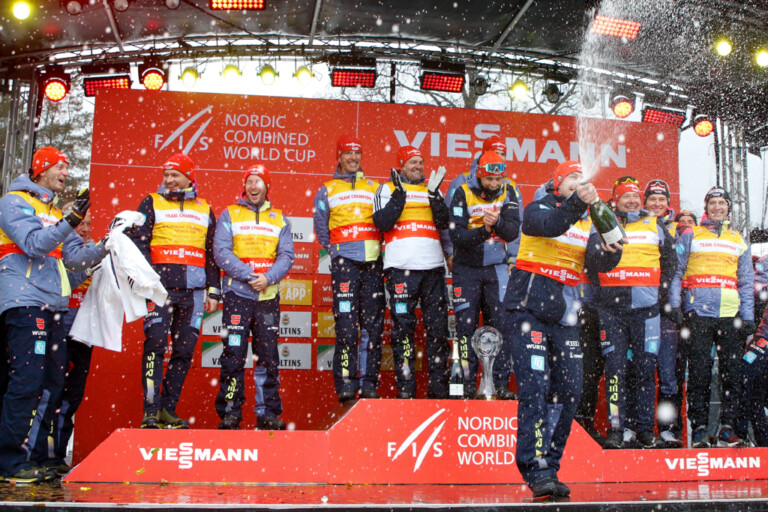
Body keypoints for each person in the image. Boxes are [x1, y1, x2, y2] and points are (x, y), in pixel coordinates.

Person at [503, 160, 623, 498]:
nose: (580, 182)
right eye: (573, 177)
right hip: (528, 311)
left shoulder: (586, 222)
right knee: (535, 391)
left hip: (565, 318)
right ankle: (534, 467)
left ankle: (551, 466)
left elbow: (598, 263)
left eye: (582, 179)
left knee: (569, 393)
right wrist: (577, 203)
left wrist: (611, 252)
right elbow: (550, 225)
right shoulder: (538, 207)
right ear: (558, 183)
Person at [0, 147, 106, 483]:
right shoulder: (15, 201)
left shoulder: (51, 209)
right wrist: (70, 221)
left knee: (49, 385)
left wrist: (109, 243)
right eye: (60, 166)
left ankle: (36, 458)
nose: (66, 172)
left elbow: (73, 263)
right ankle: (9, 463)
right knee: (25, 382)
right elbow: (33, 245)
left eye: (67, 167)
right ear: (41, 170)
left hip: (54, 306)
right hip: (23, 300)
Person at [131, 153, 220, 429]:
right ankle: (150, 408)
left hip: (193, 292)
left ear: (189, 176)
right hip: (159, 290)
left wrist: (214, 290)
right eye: (166, 175)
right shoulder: (151, 201)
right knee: (155, 347)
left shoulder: (205, 208)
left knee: (183, 352)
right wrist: (149, 277)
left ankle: (167, 409)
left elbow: (211, 253)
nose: (169, 180)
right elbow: (138, 242)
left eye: (175, 175)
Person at [588, 176, 676, 449]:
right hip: (612, 311)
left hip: (646, 311)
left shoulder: (656, 224)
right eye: (626, 196)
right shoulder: (602, 223)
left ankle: (646, 430)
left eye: (635, 197)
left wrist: (658, 295)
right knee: (615, 371)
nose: (632, 201)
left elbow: (670, 263)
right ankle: (617, 429)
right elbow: (591, 264)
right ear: (615, 200)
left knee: (645, 371)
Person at [669, 186, 755, 448]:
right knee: (699, 373)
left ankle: (728, 428)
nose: (717, 207)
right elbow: (677, 272)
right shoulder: (690, 235)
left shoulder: (738, 239)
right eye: (713, 203)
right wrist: (675, 305)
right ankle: (699, 430)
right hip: (699, 314)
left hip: (730, 315)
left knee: (731, 373)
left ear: (729, 207)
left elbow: (746, 282)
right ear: (706, 208)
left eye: (722, 203)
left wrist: (748, 317)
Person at [214, 165, 294, 430]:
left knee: (269, 357)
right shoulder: (230, 214)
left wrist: (268, 278)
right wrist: (251, 276)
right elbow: (221, 252)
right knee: (233, 355)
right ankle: (231, 413)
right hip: (238, 295)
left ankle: (268, 413)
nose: (253, 186)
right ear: (244, 185)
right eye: (249, 181)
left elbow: (287, 256)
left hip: (267, 298)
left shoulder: (279, 218)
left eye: (258, 181)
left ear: (266, 186)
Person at [372, 146, 451, 398]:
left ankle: (438, 388)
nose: (418, 166)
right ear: (401, 165)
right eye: (412, 162)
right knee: (402, 329)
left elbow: (444, 222)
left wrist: (435, 197)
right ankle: (406, 387)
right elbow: (382, 222)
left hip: (433, 270)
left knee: (438, 330)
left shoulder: (433, 189)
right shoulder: (386, 189)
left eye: (421, 162)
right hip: (401, 270)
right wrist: (399, 195)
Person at [313, 134, 385, 402]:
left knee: (372, 327)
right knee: (346, 327)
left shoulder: (375, 187)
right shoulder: (327, 188)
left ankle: (368, 383)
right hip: (345, 264)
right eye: (348, 154)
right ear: (339, 157)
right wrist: (335, 251)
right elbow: (321, 226)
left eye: (357, 153)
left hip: (373, 264)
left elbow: (384, 221)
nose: (353, 158)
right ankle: (345, 382)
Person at [448, 151, 520, 398]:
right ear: (479, 175)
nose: (494, 185)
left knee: (500, 327)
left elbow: (512, 231)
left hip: (497, 269)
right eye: (489, 179)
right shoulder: (462, 191)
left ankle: (498, 384)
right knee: (465, 327)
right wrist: (486, 229)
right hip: (466, 269)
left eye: (498, 180)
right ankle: (466, 385)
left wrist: (497, 224)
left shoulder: (509, 191)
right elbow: (457, 236)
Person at [643, 178, 685, 447]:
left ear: (668, 203)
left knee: (668, 375)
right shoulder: (632, 224)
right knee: (640, 372)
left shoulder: (681, 230)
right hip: (641, 310)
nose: (657, 204)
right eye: (652, 199)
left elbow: (678, 272)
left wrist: (674, 304)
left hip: (668, 311)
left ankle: (667, 429)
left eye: (661, 200)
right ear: (644, 202)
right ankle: (639, 428)